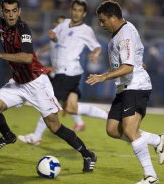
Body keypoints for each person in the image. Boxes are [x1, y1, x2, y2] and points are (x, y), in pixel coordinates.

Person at [0, 0, 96, 172]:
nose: (11, 14)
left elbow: (27, 57)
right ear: (2, 12)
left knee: (54, 126)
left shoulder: (23, 29)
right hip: (18, 82)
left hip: (36, 84)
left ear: (19, 11)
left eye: (14, 11)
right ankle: (8, 135)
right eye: (7, 11)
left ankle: (87, 154)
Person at [86, 1, 164, 183]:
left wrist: (103, 77)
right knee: (113, 129)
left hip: (136, 87)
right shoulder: (120, 32)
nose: (101, 24)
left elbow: (128, 67)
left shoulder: (125, 35)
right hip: (124, 88)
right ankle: (157, 140)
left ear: (113, 17)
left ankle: (151, 176)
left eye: (102, 20)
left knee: (131, 132)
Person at [18, 0, 109, 145]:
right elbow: (55, 36)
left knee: (48, 104)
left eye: (80, 10)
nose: (76, 12)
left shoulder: (86, 30)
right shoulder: (64, 23)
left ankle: (36, 137)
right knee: (72, 108)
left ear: (84, 13)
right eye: (74, 9)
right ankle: (107, 116)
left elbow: (97, 47)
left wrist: (95, 54)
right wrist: (53, 36)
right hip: (63, 72)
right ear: (71, 10)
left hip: (68, 73)